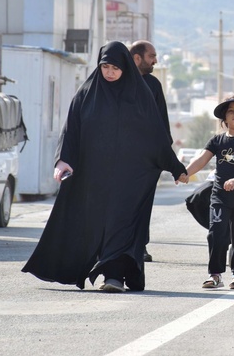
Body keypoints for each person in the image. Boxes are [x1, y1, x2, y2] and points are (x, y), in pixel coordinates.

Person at [22, 41, 187, 293]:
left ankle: (114, 277)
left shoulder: (141, 95)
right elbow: (71, 129)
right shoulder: (87, 93)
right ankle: (80, 268)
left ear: (125, 68)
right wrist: (63, 160)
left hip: (129, 179)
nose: (109, 72)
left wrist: (175, 167)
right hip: (93, 177)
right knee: (90, 225)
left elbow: (157, 135)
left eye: (115, 68)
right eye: (105, 67)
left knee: (121, 224)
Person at [178, 96, 234, 290]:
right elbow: (201, 160)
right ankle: (215, 275)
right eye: (231, 111)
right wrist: (185, 173)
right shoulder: (217, 140)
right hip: (220, 196)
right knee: (216, 233)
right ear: (224, 117)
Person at [130, 40, 172, 263]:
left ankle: (139, 245)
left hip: (147, 159)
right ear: (137, 58)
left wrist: (164, 155)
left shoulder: (153, 84)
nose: (155, 60)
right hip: (121, 157)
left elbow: (162, 122)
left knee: (143, 204)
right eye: (151, 56)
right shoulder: (118, 81)